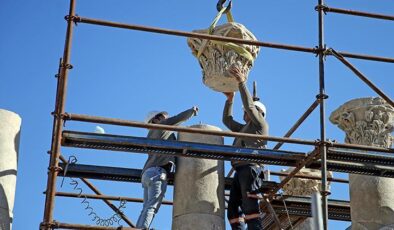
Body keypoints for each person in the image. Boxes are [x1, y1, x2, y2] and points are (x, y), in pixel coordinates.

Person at [136, 106, 198, 229]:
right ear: (155, 120)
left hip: (147, 173)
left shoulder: (151, 135)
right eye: (164, 118)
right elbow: (178, 119)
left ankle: (138, 228)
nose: (167, 119)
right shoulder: (162, 126)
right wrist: (192, 111)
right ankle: (142, 228)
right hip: (157, 173)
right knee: (152, 206)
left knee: (146, 207)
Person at [222, 65, 269, 230]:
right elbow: (227, 121)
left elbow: (249, 106)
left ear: (258, 112)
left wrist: (242, 82)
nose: (244, 113)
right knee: (233, 210)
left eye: (247, 112)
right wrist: (230, 100)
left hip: (250, 168)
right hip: (240, 170)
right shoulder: (245, 129)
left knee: (250, 207)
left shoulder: (259, 125)